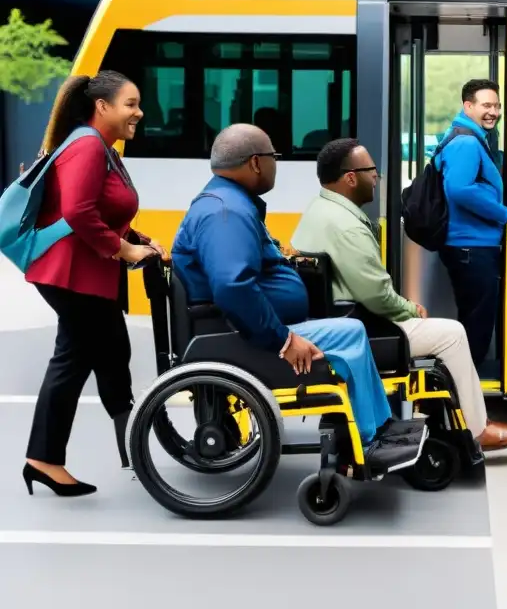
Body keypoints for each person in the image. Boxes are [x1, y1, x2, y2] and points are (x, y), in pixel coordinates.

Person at [170, 124, 422, 474]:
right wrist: (284, 340)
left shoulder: (226, 202)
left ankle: (378, 427)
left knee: (350, 331)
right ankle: (371, 438)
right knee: (350, 334)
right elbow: (233, 287)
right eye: (274, 157)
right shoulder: (227, 213)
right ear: (256, 163)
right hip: (244, 338)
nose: (277, 164)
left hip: (241, 329)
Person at [291, 138, 507, 452]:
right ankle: (476, 429)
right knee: (453, 334)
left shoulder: (319, 209)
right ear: (350, 178)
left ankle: (442, 415)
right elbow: (375, 294)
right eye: (371, 170)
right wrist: (410, 308)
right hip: (364, 328)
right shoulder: (347, 226)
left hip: (340, 319)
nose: (376, 177)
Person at [22, 71, 166, 498]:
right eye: (131, 104)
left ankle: (126, 451)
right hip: (72, 274)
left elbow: (105, 208)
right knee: (87, 358)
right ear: (102, 106)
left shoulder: (102, 147)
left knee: (104, 355)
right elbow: (79, 212)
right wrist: (124, 250)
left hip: (86, 273)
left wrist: (138, 238)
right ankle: (47, 459)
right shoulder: (87, 145)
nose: (139, 112)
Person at [435, 79, 507, 366]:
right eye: (486, 105)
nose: (494, 112)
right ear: (468, 106)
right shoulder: (466, 142)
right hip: (471, 247)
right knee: (476, 328)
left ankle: (461, 395)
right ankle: (464, 398)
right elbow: (460, 189)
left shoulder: (471, 137)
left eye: (497, 106)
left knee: (473, 321)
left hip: (471, 246)